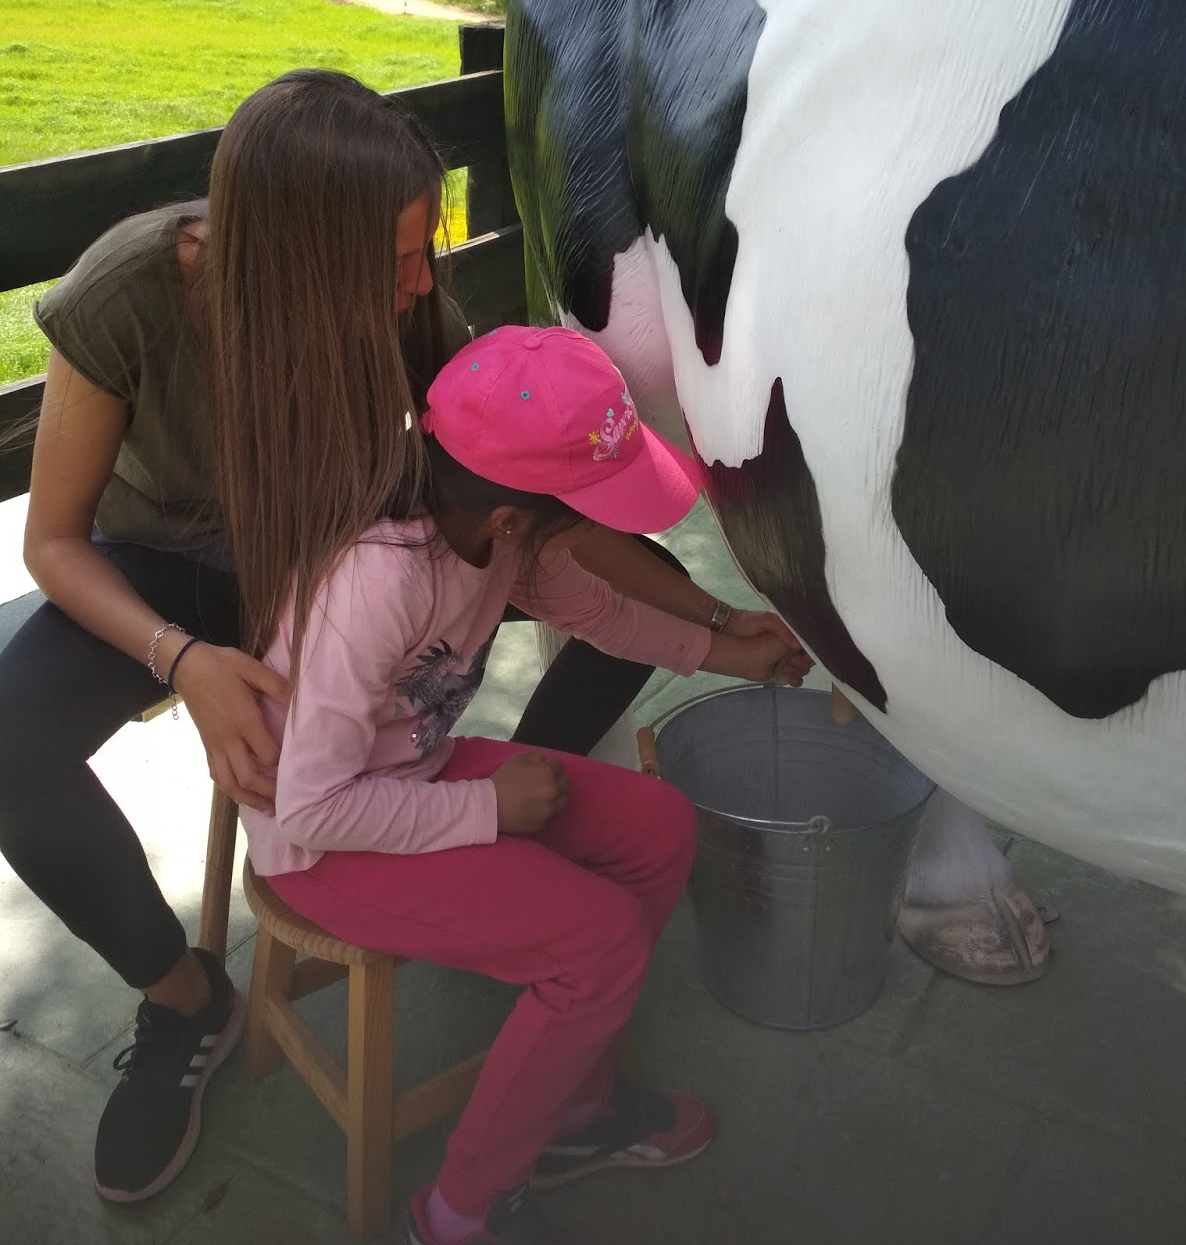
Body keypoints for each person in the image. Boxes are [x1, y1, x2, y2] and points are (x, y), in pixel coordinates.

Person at [0, 69, 795, 1205]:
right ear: (292, 259)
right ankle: (183, 1001)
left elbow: (523, 500)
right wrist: (183, 659)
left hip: (337, 558)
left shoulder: (412, 307)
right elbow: (52, 542)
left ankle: (498, 844)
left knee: (645, 593)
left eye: (428, 249)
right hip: (170, 571)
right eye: (395, 262)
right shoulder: (130, 292)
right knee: (9, 743)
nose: (422, 283)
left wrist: (714, 621)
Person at [240, 324, 810, 1245]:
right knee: (600, 943)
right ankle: (457, 1212)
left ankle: (574, 1107)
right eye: (589, 509)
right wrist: (487, 808)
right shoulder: (374, 587)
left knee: (661, 827)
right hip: (326, 847)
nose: (603, 529)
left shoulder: (492, 534)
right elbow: (313, 806)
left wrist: (731, 648)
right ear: (514, 517)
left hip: (409, 773)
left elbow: (605, 615)